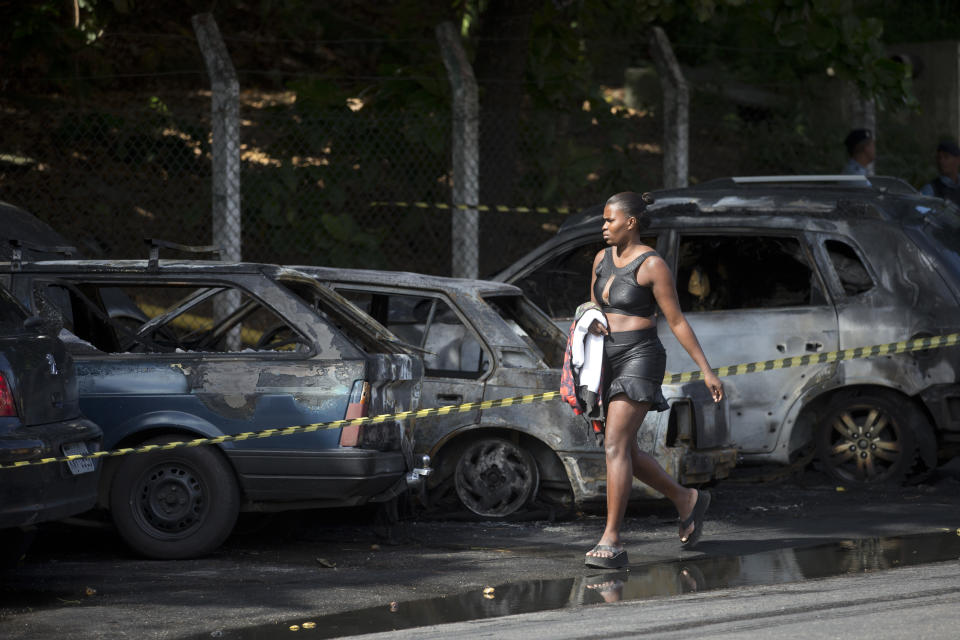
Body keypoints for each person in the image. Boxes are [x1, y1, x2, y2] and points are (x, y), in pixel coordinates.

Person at [583, 191, 723, 569]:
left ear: (631, 222)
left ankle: (611, 539)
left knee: (615, 444)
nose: (604, 226)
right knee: (623, 449)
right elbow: (593, 307)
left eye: (609, 220)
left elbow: (676, 320)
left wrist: (706, 370)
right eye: (603, 220)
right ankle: (686, 499)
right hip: (604, 358)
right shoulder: (600, 259)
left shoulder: (652, 265)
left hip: (640, 356)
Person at [920, 140, 960, 206]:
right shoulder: (930, 189)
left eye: (946, 157)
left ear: (958, 160)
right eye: (939, 157)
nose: (941, 161)